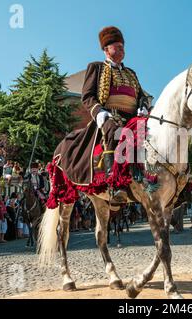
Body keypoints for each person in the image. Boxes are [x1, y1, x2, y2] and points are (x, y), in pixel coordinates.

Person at [54, 26, 149, 204]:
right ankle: (114, 181)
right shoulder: (96, 68)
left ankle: (150, 177)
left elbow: (142, 96)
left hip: (132, 116)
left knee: (152, 132)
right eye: (117, 47)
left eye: (123, 47)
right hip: (109, 114)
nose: (122, 50)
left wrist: (143, 106)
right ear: (106, 49)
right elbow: (87, 96)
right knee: (114, 130)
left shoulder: (131, 73)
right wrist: (99, 112)